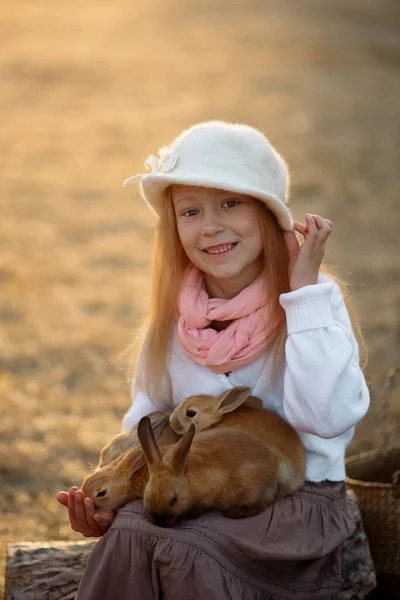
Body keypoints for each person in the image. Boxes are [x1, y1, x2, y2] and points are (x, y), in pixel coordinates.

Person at [57, 121, 373, 599]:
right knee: (131, 533)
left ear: (270, 213)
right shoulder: (173, 318)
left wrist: (304, 290)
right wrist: (115, 497)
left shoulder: (312, 303)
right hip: (196, 490)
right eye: (189, 210)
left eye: (230, 203)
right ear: (173, 226)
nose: (210, 225)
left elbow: (327, 419)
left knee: (185, 549)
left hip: (293, 504)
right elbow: (146, 422)